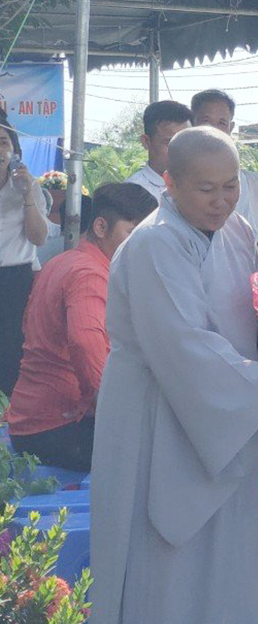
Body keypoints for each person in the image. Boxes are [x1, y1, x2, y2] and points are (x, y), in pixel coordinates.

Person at [89, 127, 258, 624]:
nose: (221, 201)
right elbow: (185, 346)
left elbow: (254, 309)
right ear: (169, 183)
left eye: (230, 187)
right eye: (206, 189)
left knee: (227, 560)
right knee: (160, 557)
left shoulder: (237, 229)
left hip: (227, 416)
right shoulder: (153, 245)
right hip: (160, 413)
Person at [6, 184, 157, 472]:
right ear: (101, 227)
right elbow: (85, 343)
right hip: (59, 426)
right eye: (132, 234)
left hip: (31, 422)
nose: (141, 246)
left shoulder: (61, 262)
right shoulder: (89, 273)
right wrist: (106, 408)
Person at [0, 113, 48, 397]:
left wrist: (28, 194)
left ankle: (8, 413)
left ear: (14, 150)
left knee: (11, 352)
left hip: (16, 279)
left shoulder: (28, 187)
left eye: (3, 142)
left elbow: (38, 238)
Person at [190, 89, 258, 229]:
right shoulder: (178, 182)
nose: (213, 130)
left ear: (231, 128)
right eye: (206, 121)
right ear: (192, 124)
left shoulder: (253, 184)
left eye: (222, 123)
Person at [125, 100, 193, 202]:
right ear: (146, 142)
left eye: (186, 142)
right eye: (170, 143)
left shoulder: (202, 187)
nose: (180, 151)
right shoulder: (132, 192)